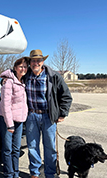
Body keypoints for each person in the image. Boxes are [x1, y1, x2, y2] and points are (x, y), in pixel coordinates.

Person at [24, 49, 72, 178]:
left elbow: (66, 96)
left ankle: (50, 173)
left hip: (48, 116)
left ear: (43, 61)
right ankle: (34, 172)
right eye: (33, 60)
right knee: (32, 146)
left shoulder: (53, 76)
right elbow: (11, 78)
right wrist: (4, 80)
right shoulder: (25, 74)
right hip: (31, 115)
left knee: (50, 147)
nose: (36, 63)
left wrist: (62, 113)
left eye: (38, 60)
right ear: (30, 62)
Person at [0, 57, 29, 178]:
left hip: (19, 120)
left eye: (25, 66)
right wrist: (9, 124)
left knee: (16, 148)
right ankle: (8, 174)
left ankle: (16, 173)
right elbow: (6, 104)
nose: (23, 69)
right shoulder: (9, 82)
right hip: (6, 120)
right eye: (21, 66)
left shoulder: (23, 81)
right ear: (15, 68)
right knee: (8, 149)